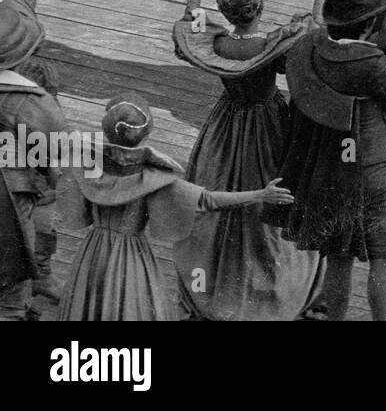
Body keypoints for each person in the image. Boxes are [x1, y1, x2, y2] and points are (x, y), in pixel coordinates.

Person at [170, 0, 326, 320]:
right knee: (269, 201)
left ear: (226, 14)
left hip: (226, 122)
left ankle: (219, 275)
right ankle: (272, 285)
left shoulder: (218, 44)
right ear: (258, 10)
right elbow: (316, 29)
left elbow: (189, 21)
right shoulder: (270, 45)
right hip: (270, 123)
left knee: (219, 196)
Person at [267, 0, 386, 321]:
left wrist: (381, 40)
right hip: (371, 169)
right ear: (369, 24)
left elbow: (343, 59)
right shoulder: (372, 64)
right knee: (383, 256)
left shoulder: (308, 44)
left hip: (328, 168)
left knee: (338, 255)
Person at [59, 97, 295, 321]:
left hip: (93, 252)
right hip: (130, 255)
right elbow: (207, 200)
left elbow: (72, 200)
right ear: (145, 134)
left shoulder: (89, 166)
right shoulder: (153, 178)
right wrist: (260, 194)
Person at [0, 0, 68, 320]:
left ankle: (38, 279)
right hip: (13, 194)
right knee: (14, 264)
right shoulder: (28, 101)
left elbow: (12, 11)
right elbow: (55, 145)